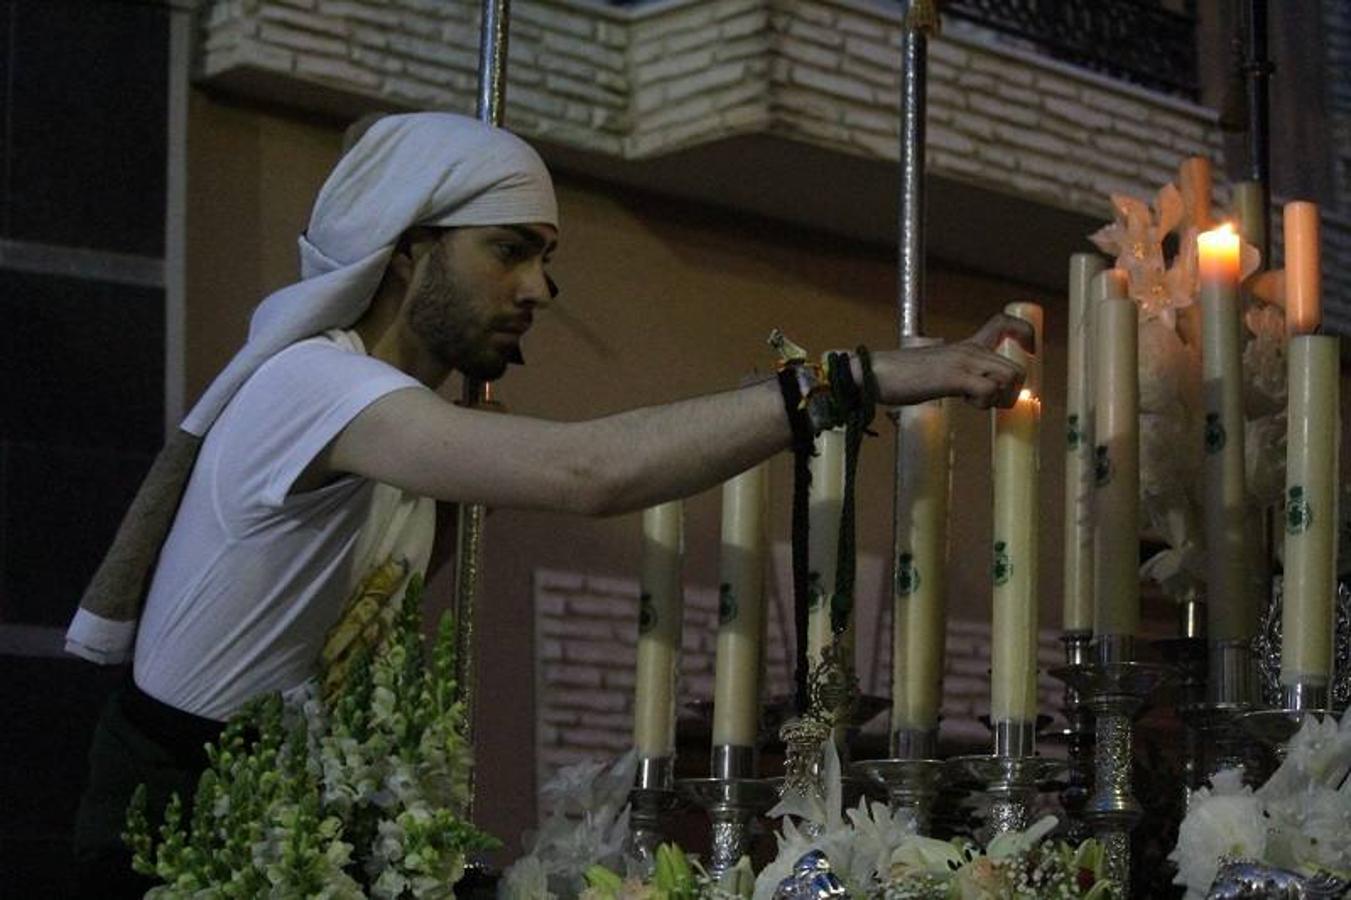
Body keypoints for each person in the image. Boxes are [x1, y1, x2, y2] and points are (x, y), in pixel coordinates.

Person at [68, 111, 1032, 896]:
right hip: (177, 824)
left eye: (545, 257)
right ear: (409, 251)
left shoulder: (403, 424)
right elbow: (590, 475)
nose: (538, 288)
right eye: (509, 251)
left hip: (295, 812)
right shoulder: (311, 387)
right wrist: (849, 379)